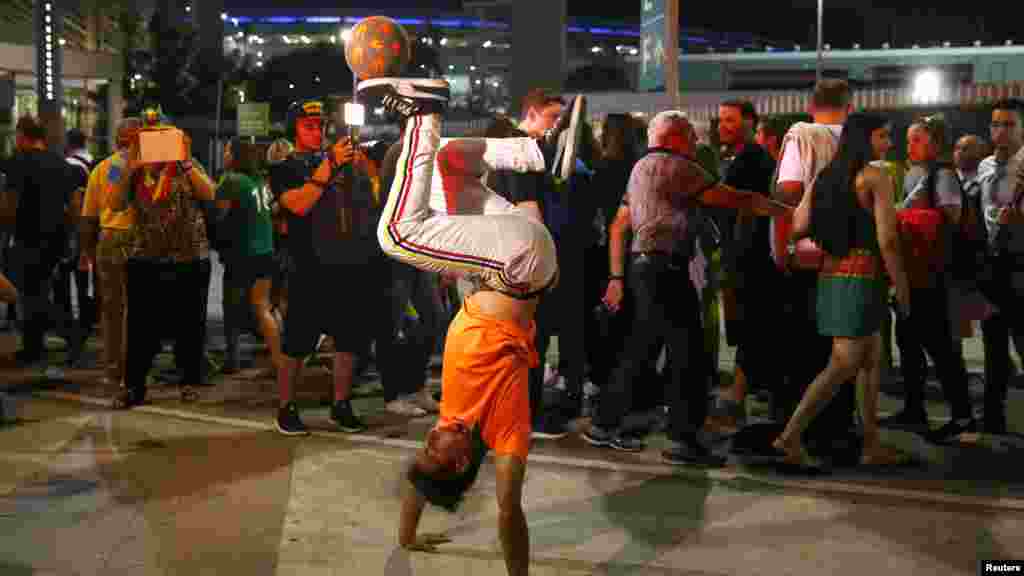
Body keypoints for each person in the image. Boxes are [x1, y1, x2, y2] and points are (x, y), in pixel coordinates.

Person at [358, 76, 576, 576]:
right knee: (396, 234)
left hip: (518, 251)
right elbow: (508, 512)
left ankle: (534, 153)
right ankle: (422, 114)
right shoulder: (504, 431)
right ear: (460, 462)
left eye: (427, 446)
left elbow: (419, 483)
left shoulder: (451, 416)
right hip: (519, 268)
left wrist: (407, 539)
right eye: (439, 451)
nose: (433, 437)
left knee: (447, 164)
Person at [586, 110, 789, 465]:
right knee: (687, 352)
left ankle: (604, 422)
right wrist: (785, 210)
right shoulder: (676, 166)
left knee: (643, 348)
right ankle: (683, 438)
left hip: (643, 267)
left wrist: (618, 277)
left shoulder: (640, 168)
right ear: (674, 137)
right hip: (667, 267)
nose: (696, 143)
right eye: (690, 137)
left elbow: (620, 224)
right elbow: (735, 198)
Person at [770, 113, 912, 470]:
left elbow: (798, 225)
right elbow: (889, 240)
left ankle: (871, 442)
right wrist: (903, 285)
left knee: (869, 360)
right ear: (865, 140)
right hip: (863, 279)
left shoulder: (824, 177)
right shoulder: (875, 177)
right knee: (845, 363)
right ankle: (789, 437)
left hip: (832, 277)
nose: (889, 144)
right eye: (883, 137)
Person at [270, 99, 380, 435]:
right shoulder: (285, 166)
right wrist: (329, 166)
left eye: (319, 126)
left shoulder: (341, 161)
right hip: (308, 266)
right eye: (308, 126)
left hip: (347, 263)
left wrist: (364, 169)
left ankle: (341, 404)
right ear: (294, 130)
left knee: (348, 340)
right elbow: (298, 205)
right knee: (297, 343)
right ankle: (286, 407)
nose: (316, 131)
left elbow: (370, 199)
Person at [79, 117, 142, 388]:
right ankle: (134, 367)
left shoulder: (104, 168)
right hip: (141, 239)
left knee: (113, 308)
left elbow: (89, 216)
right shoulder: (150, 167)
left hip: (110, 237)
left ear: (117, 139)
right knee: (137, 308)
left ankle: (114, 368)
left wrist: (86, 251)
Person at [216, 138, 283, 375]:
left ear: (235, 156)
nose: (224, 155)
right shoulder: (260, 182)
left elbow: (219, 215)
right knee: (263, 307)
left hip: (242, 253)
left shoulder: (231, 180)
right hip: (265, 251)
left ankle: (232, 358)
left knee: (231, 307)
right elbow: (274, 210)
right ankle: (280, 361)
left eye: (226, 151)